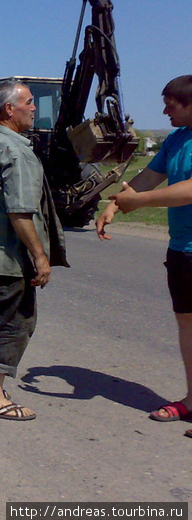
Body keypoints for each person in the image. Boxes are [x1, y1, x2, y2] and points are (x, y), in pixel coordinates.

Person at [0, 80, 67, 421]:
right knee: (14, 321)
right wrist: (39, 256)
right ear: (10, 109)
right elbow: (21, 212)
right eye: (29, 102)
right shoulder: (16, 151)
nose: (34, 108)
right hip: (9, 253)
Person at [96, 75, 192, 438]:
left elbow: (189, 190)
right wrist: (114, 205)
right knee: (188, 327)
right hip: (182, 248)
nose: (165, 110)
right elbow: (149, 178)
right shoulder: (177, 139)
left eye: (172, 103)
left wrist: (138, 201)